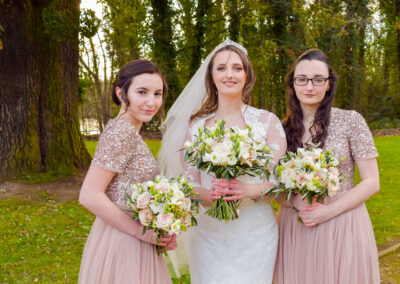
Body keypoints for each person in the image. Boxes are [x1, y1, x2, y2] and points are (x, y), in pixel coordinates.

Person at [159, 40, 287, 284]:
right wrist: (212, 195)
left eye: (237, 68)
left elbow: (280, 182)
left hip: (255, 232)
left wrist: (248, 190)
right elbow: (188, 186)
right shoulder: (194, 126)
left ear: (247, 75)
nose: (230, 74)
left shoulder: (267, 122)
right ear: (211, 76)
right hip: (209, 234)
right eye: (221, 68)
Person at [273, 49, 380, 284]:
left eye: (318, 79)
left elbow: (372, 182)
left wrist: (328, 211)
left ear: (329, 84)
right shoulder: (278, 128)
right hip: (297, 223)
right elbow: (271, 187)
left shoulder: (351, 120)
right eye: (302, 79)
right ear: (293, 84)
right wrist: (293, 201)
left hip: (343, 221)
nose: (309, 86)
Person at [78, 60, 177, 284]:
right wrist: (139, 231)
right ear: (121, 93)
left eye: (157, 93)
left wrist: (160, 226)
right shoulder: (121, 131)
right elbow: (89, 195)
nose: (151, 102)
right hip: (124, 242)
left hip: (134, 237)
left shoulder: (129, 130)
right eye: (142, 92)